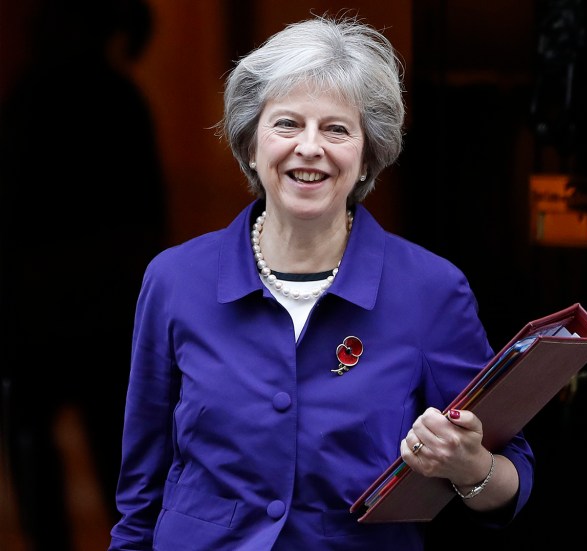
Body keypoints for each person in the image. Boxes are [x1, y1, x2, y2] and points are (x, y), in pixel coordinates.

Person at [107, 14, 534, 551]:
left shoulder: (430, 290)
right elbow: (140, 491)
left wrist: (471, 466)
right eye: (287, 124)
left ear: (367, 156)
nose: (310, 147)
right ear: (251, 144)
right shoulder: (175, 279)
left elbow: (511, 472)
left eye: (336, 129)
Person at [0, 1, 167, 549]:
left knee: (37, 438)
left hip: (42, 301)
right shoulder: (116, 97)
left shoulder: (31, 97)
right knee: (114, 438)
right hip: (103, 300)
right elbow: (148, 217)